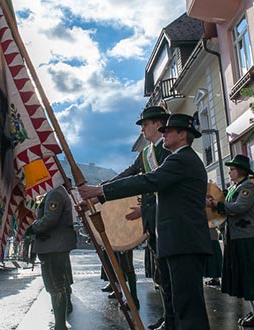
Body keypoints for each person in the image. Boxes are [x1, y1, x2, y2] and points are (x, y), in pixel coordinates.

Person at [79, 113, 211, 330]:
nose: (164, 134)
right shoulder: (178, 158)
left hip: (183, 242)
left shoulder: (181, 159)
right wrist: (97, 197)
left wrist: (101, 190)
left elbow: (148, 180)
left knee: (188, 308)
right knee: (178, 302)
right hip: (177, 241)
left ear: (182, 134)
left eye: (168, 130)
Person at [97, 105, 171, 328]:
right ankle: (169, 317)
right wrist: (102, 188)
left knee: (170, 277)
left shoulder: (168, 151)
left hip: (167, 221)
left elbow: (159, 187)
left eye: (145, 125)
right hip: (153, 222)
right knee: (162, 275)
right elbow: (129, 174)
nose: (142, 130)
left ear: (158, 124)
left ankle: (174, 319)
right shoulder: (146, 154)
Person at [207, 155, 254, 328]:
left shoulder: (248, 186)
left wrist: (217, 205)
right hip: (237, 238)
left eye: (232, 169)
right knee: (246, 278)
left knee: (253, 277)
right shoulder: (235, 187)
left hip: (248, 238)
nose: (230, 172)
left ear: (240, 170)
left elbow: (240, 207)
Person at [26, 184, 77, 330]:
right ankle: (60, 323)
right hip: (53, 245)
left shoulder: (55, 193)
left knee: (55, 286)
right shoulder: (55, 192)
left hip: (53, 246)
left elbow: (50, 218)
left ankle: (60, 326)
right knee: (57, 285)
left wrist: (33, 228)